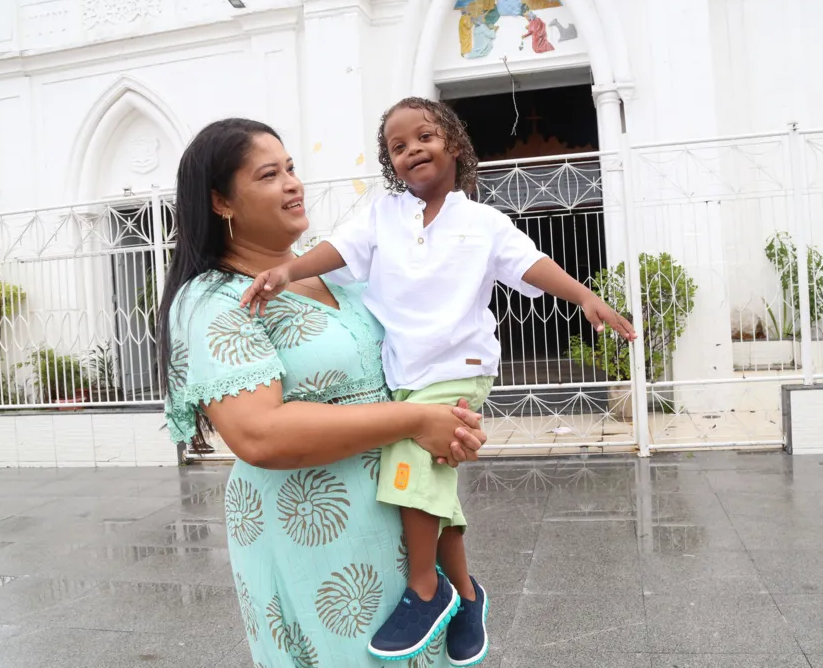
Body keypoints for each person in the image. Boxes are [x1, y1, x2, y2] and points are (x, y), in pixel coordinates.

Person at [240, 98, 636, 665]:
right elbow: (341, 249)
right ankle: (468, 595)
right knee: (433, 485)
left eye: (424, 136)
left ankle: (426, 590)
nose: (412, 151)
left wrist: (584, 296)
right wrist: (287, 269)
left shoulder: (482, 223)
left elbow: (531, 264)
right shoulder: (384, 213)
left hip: (457, 372)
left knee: (409, 466)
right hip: (405, 374)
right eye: (398, 147)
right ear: (389, 163)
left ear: (453, 142)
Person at [158, 118, 488, 668]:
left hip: (400, 510)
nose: (292, 184)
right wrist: (412, 421)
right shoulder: (214, 299)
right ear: (221, 201)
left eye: (291, 168)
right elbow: (258, 433)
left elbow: (417, 366)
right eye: (269, 174)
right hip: (311, 526)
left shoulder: (339, 276)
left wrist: (450, 421)